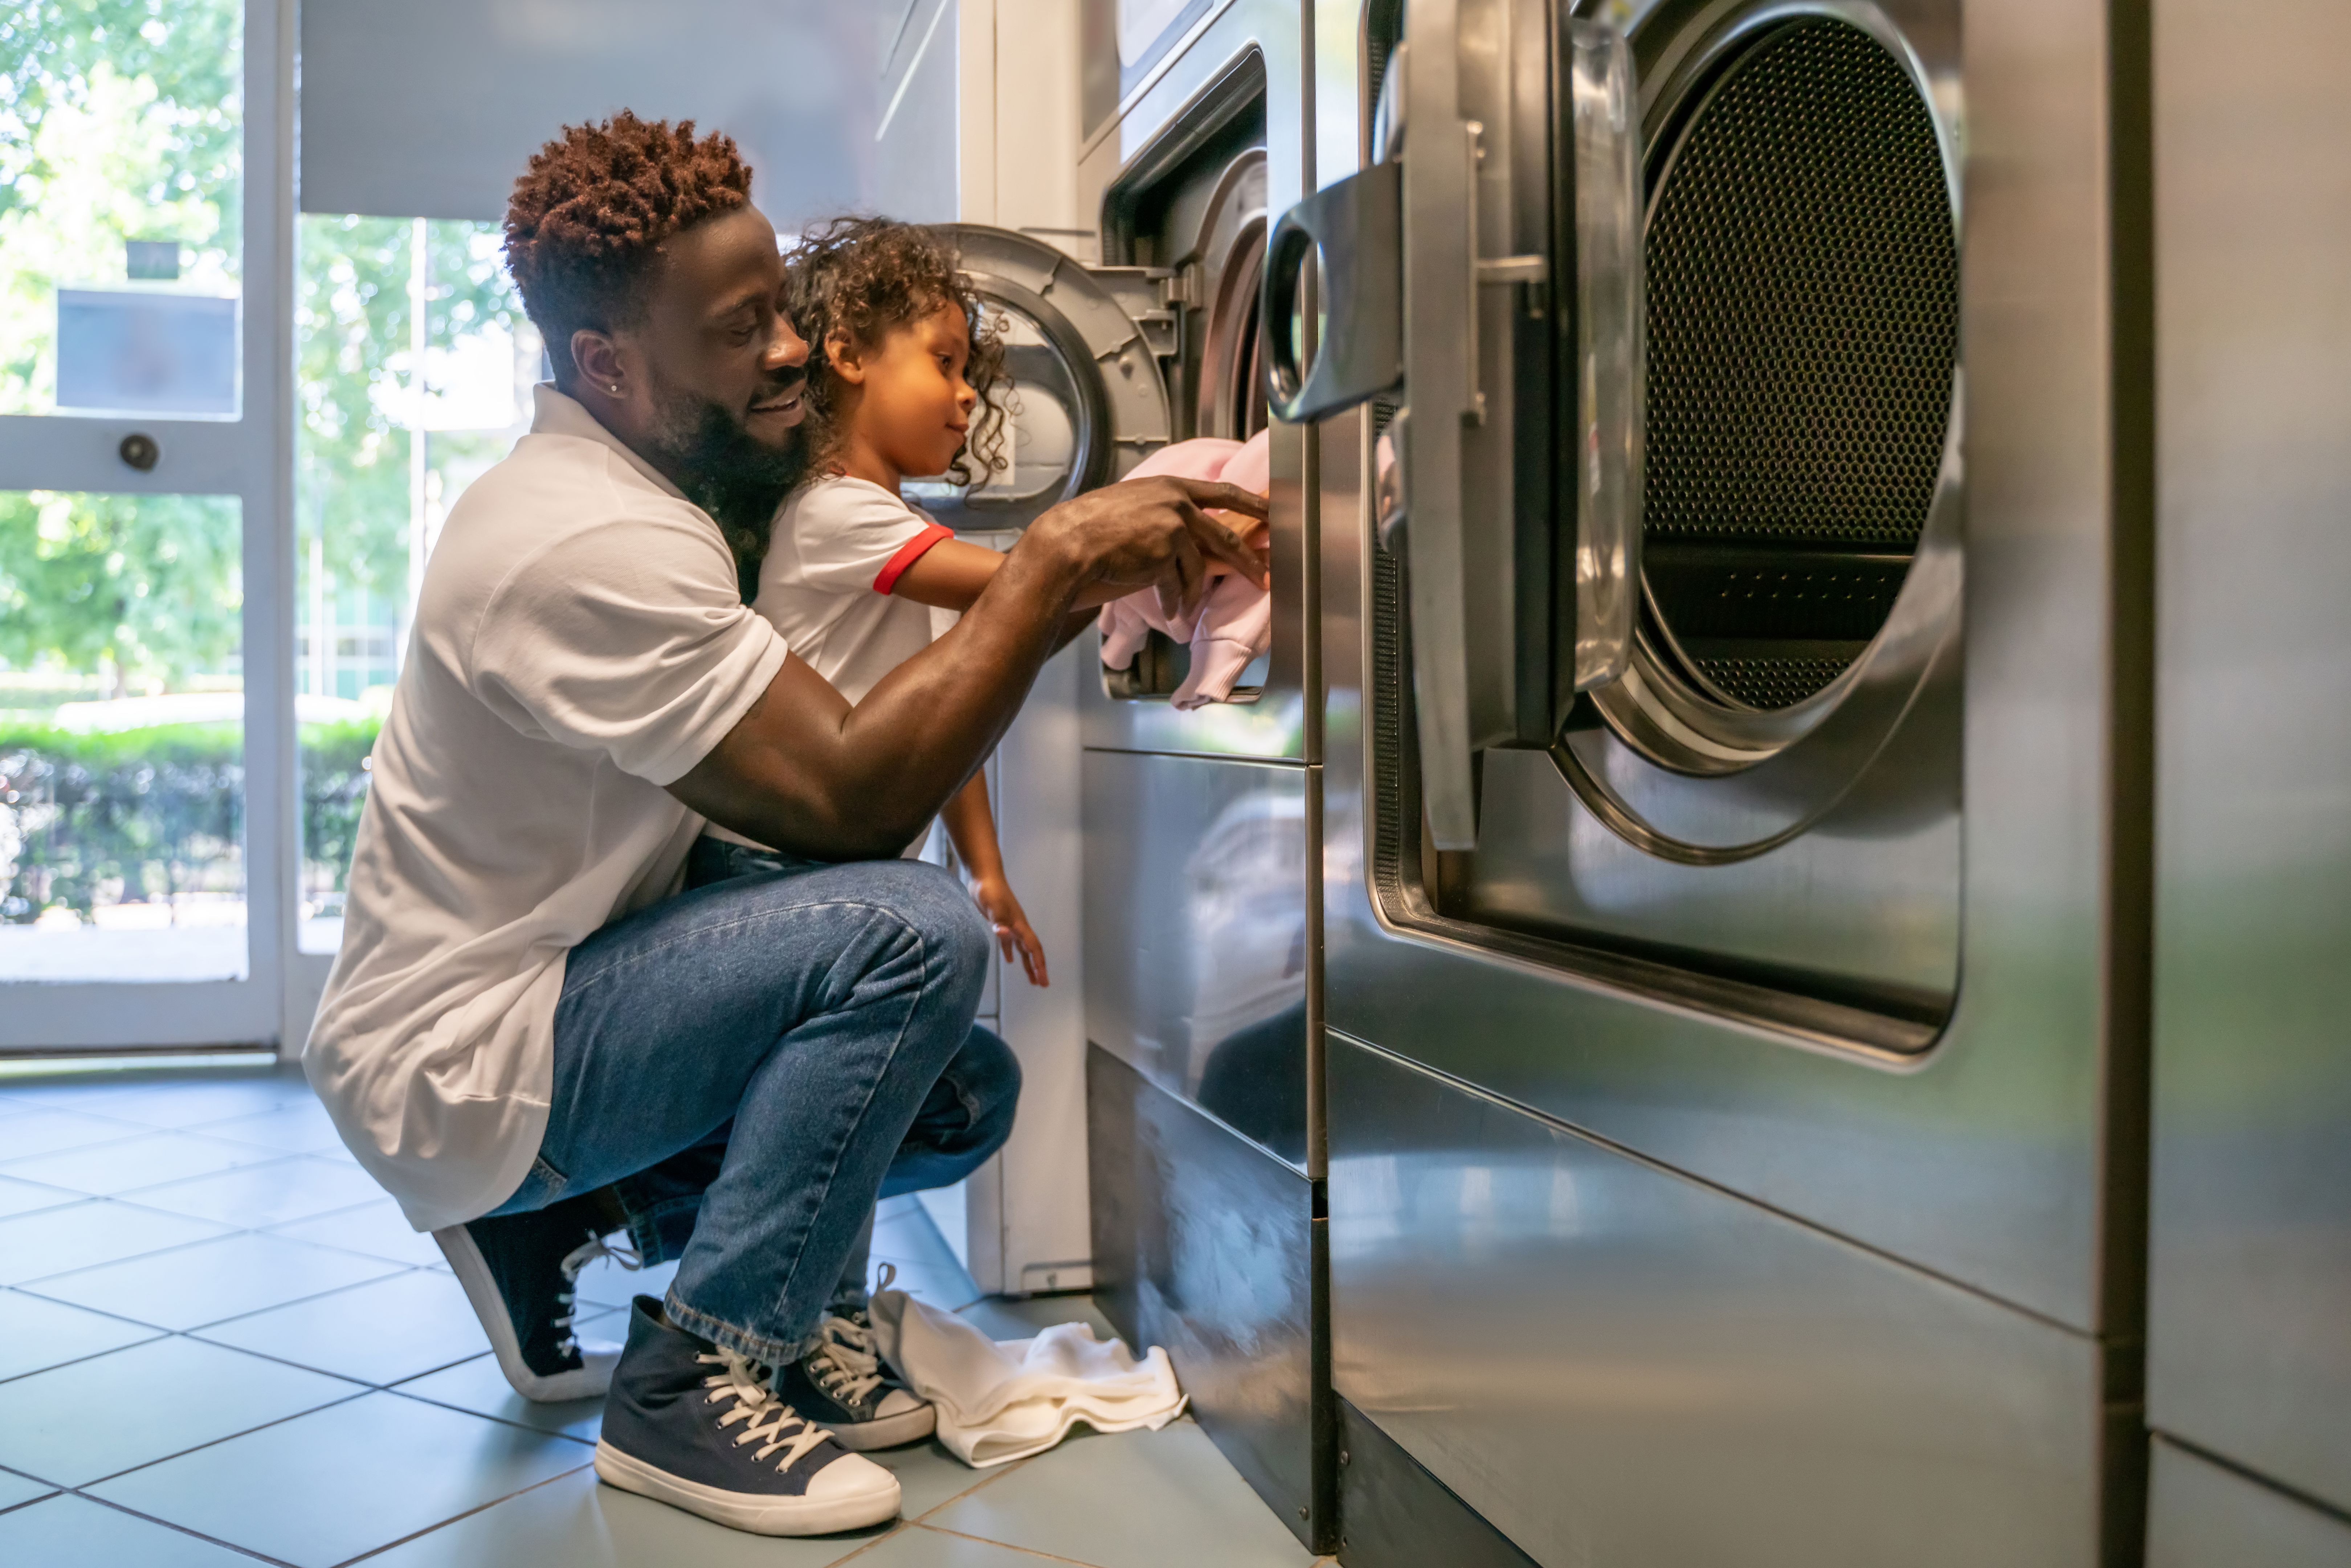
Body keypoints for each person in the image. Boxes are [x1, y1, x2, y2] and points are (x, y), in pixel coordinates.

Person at [301, 113, 1264, 1539]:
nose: (796, 353)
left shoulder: (670, 504)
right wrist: (1060, 554)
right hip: (467, 1048)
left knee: (959, 1093)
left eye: (784, 316)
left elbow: (875, 743)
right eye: (741, 328)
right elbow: (851, 796)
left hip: (568, 991)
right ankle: (694, 1378)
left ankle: (643, 1255)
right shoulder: (588, 541)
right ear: (609, 367)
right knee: (908, 925)